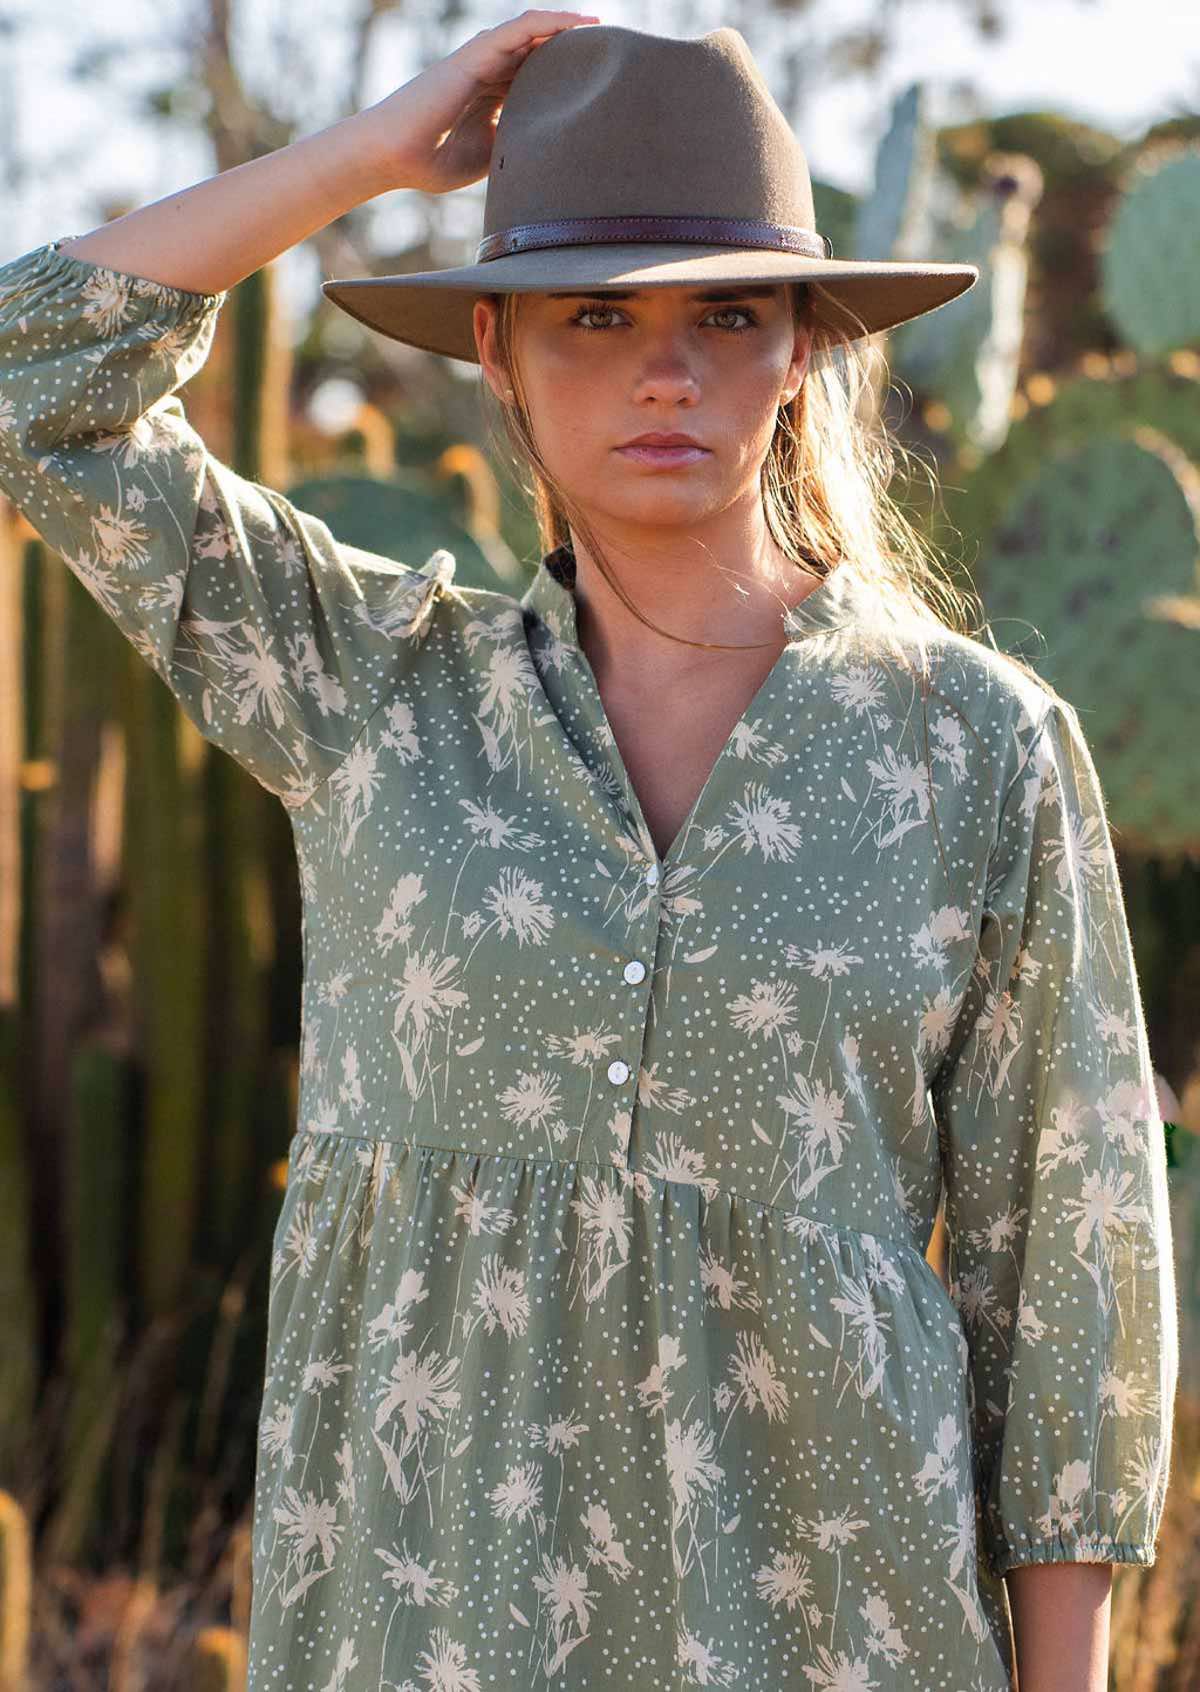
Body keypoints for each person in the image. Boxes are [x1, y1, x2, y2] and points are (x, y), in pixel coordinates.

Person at [0, 14, 1178, 1691]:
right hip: (423, 1624)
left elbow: (1071, 1298)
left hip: (842, 1637)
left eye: (730, 312)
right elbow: (39, 370)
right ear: (493, 345)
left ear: (805, 347)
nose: (668, 373)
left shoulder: (974, 748)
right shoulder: (363, 693)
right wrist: (360, 157)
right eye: (597, 316)